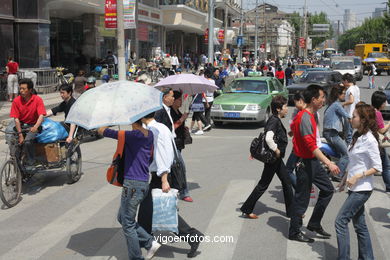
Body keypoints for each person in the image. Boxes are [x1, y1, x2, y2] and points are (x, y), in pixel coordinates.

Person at [138, 112, 204, 258]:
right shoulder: (161, 127)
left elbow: (162, 154)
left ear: (142, 117)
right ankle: (144, 240)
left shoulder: (155, 131)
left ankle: (193, 236)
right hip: (163, 174)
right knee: (146, 210)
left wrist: (164, 179)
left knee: (165, 212)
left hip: (162, 175)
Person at [97, 120, 162, 260]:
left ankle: (137, 257)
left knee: (128, 223)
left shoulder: (131, 135)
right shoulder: (149, 134)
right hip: (143, 182)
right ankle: (150, 242)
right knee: (122, 217)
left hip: (133, 184)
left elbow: (103, 131)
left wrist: (106, 121)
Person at [288, 84, 340, 243]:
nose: (324, 100)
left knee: (328, 190)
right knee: (301, 199)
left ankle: (314, 223)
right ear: (313, 99)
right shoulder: (304, 117)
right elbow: (311, 145)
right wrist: (329, 163)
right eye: (322, 97)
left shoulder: (312, 115)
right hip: (305, 163)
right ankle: (294, 231)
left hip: (313, 162)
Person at [335, 103, 382, 260]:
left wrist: (358, 176)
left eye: (354, 116)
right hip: (354, 187)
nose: (351, 118)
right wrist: (344, 179)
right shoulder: (357, 136)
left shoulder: (370, 140)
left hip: (362, 189)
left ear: (362, 120)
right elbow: (353, 161)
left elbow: (377, 167)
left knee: (340, 222)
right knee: (360, 225)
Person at [240, 96, 293, 219]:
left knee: (286, 182)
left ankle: (292, 212)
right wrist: (277, 149)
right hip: (273, 159)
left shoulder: (275, 119)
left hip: (276, 159)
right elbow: (268, 137)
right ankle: (247, 209)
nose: (287, 109)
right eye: (285, 107)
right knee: (264, 184)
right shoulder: (274, 121)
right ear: (278, 109)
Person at [8, 78, 46, 166]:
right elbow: (16, 119)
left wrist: (35, 127)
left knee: (28, 141)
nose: (21, 91)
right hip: (21, 125)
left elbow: (41, 115)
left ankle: (32, 161)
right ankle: (15, 159)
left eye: (24, 89)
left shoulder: (37, 99)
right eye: (20, 88)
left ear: (30, 90)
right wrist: (20, 134)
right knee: (13, 140)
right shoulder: (16, 101)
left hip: (34, 125)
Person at [323, 86, 351, 181]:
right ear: (338, 94)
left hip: (330, 133)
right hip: (332, 134)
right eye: (343, 93)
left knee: (340, 153)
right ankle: (338, 175)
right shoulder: (336, 105)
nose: (344, 95)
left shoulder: (331, 104)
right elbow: (347, 117)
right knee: (346, 154)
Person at [171, 90, 193, 202]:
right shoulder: (169, 112)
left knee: (174, 167)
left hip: (179, 142)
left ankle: (174, 188)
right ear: (173, 100)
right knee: (181, 167)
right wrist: (182, 119)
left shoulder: (177, 111)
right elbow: (171, 128)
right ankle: (184, 192)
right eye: (179, 99)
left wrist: (184, 127)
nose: (181, 102)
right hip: (172, 144)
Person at [286, 92, 307, 189]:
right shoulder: (309, 112)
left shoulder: (302, 114)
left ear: (301, 101)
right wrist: (292, 132)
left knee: (288, 170)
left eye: (295, 102)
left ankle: (300, 189)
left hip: (299, 147)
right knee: (299, 169)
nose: (295, 105)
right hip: (302, 146)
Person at [371, 91, 390, 193]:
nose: (385, 103)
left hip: (371, 140)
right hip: (377, 142)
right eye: (384, 101)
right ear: (380, 102)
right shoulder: (377, 113)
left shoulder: (370, 110)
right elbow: (382, 130)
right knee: (386, 165)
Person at [342, 73, 360, 145]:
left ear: (346, 81)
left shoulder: (350, 89)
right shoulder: (356, 87)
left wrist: (342, 104)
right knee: (349, 133)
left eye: (343, 81)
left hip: (349, 114)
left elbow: (351, 100)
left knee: (348, 135)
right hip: (354, 113)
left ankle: (348, 152)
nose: (342, 83)